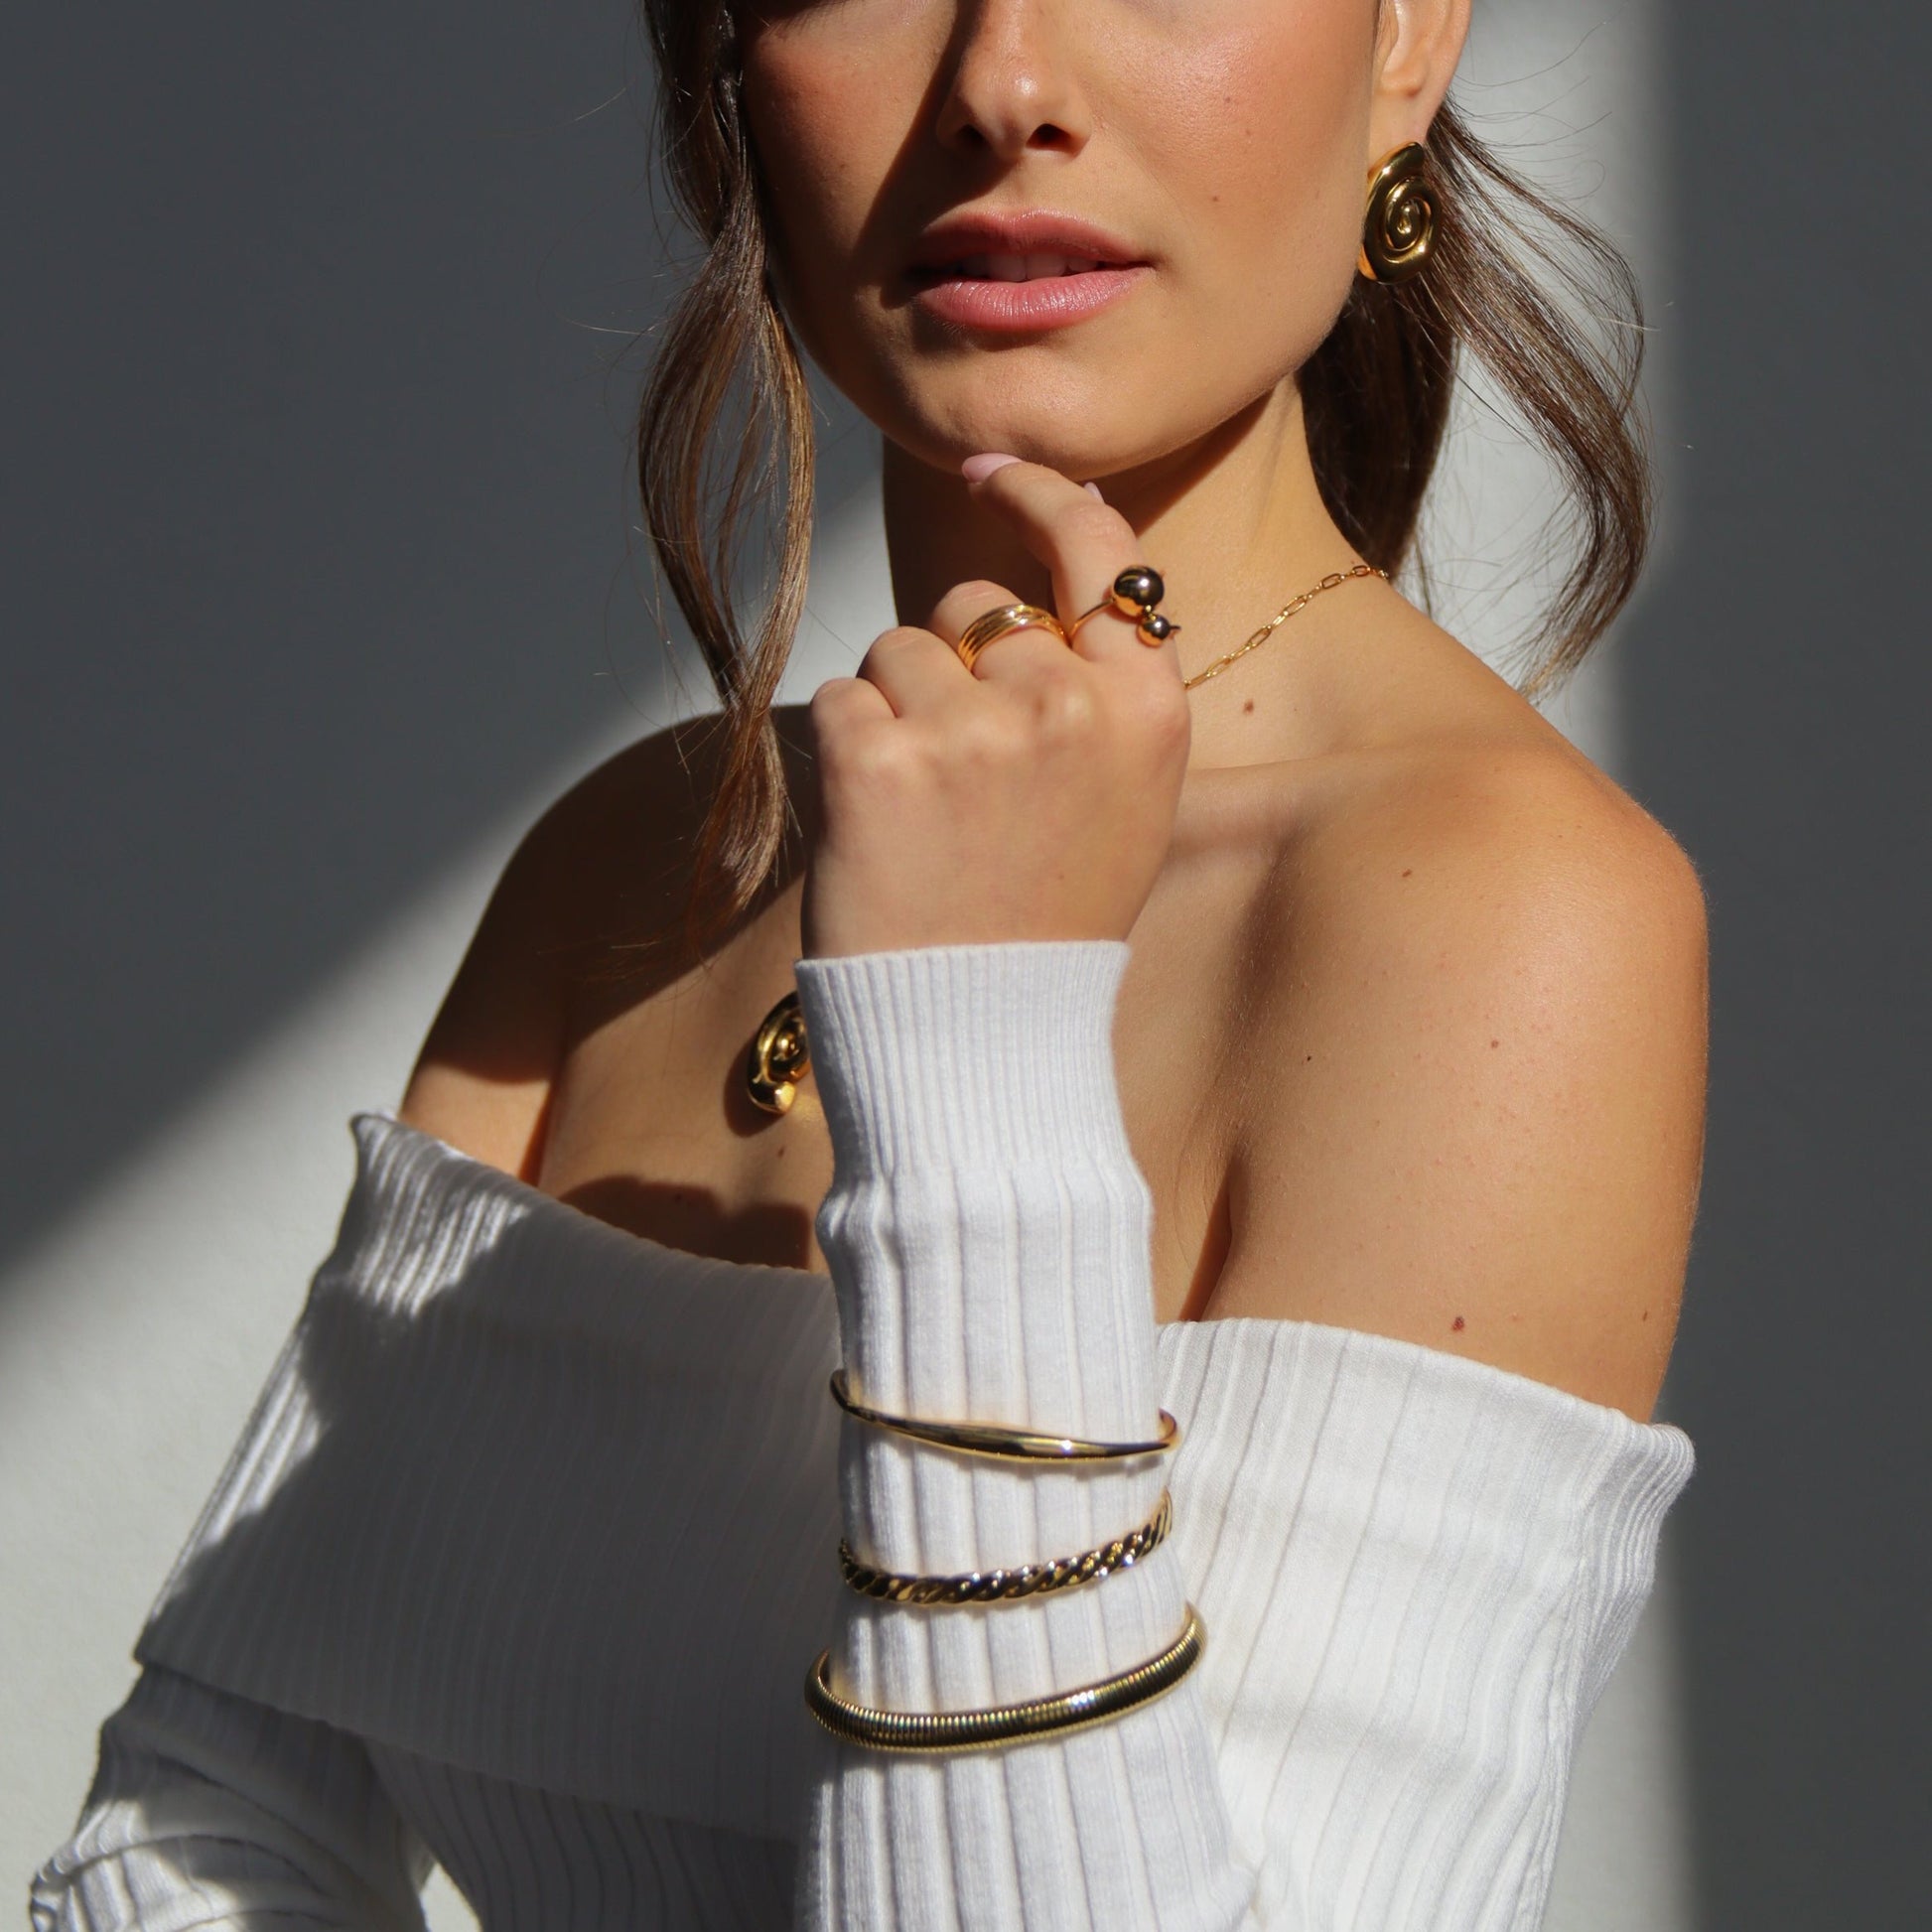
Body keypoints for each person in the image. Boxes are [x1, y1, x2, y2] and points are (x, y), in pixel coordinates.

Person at [33, 2, 1710, 1927]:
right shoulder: (632, 867)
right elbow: (193, 1833)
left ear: (1405, 38)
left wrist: (970, 1040)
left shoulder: (1494, 909)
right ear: (724, 73)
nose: (1004, 83)